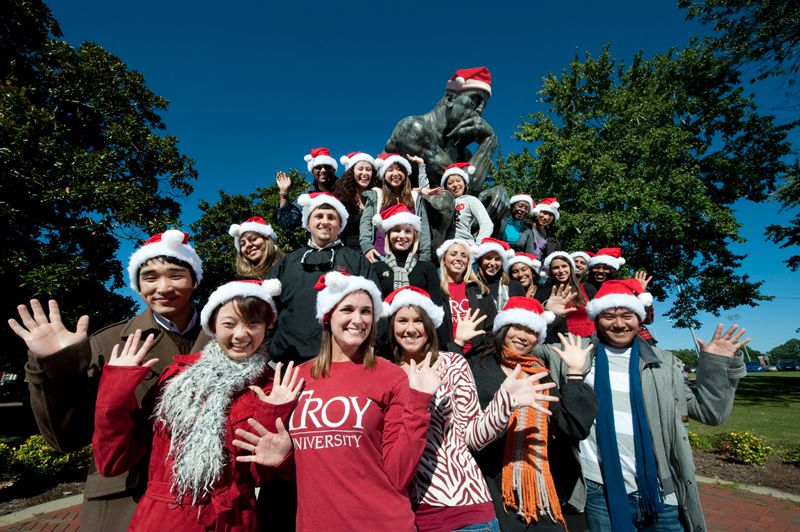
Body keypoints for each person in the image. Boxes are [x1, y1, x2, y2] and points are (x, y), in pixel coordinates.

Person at [8, 230, 208, 532]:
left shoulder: (229, 338)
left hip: (208, 497)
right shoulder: (108, 342)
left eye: (176, 275)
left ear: (195, 280)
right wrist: (55, 364)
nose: (163, 287)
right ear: (138, 287)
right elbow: (66, 438)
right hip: (127, 497)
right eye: (150, 277)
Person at [233, 272, 441, 531]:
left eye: (366, 311)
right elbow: (296, 467)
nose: (358, 319)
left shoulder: (391, 376)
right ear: (328, 315)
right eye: (348, 309)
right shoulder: (297, 377)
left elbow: (399, 474)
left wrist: (419, 404)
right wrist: (284, 458)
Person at [92, 279, 301, 530]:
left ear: (266, 327)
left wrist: (273, 415)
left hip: (231, 520)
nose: (241, 334)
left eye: (253, 324)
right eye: (229, 324)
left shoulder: (271, 386)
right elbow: (112, 461)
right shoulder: (177, 376)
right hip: (165, 519)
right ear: (212, 326)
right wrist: (117, 388)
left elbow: (258, 475)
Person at [570, 279, 748, 531]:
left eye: (627, 315)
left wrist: (717, 365)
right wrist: (550, 316)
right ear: (597, 319)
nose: (619, 324)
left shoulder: (665, 364)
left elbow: (710, 412)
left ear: (639, 319)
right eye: (608, 316)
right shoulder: (576, 355)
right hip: (599, 489)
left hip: (661, 489)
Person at [382, 286, 558, 532]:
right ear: (391, 325)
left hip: (462, 511)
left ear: (430, 325)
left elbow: (473, 438)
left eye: (419, 321)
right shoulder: (381, 372)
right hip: (400, 512)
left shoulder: (453, 364)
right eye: (403, 321)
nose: (411, 329)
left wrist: (504, 402)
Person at [470, 297, 599, 530]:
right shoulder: (477, 366)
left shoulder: (538, 373)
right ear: (503, 328)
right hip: (491, 486)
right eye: (517, 327)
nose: (523, 336)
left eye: (531, 331)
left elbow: (573, 427)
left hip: (540, 486)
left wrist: (574, 374)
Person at [266, 192, 377, 364]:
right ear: (308, 222)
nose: (325, 222)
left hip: (345, 359)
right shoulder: (287, 263)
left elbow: (375, 309)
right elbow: (267, 309)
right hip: (290, 360)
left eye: (331, 217)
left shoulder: (356, 261)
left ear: (340, 224)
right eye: (319, 216)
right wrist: (270, 347)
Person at [371, 204, 452, 346]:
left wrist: (441, 345)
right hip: (385, 342)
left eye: (407, 231)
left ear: (414, 236)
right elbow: (373, 310)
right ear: (388, 235)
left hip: (420, 340)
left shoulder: (427, 268)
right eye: (396, 230)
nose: (402, 236)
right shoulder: (376, 268)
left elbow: (438, 307)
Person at [360, 153, 432, 261]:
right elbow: (366, 223)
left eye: (399, 169)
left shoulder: (415, 197)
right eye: (390, 170)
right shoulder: (376, 196)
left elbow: (424, 227)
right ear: (384, 174)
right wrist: (367, 247)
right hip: (380, 256)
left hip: (411, 258)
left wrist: (425, 255)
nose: (395, 173)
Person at [438, 239, 495, 357]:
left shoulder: (479, 290)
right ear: (443, 259)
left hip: (476, 356)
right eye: (453, 254)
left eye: (464, 256)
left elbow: (491, 327)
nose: (459, 258)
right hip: (444, 355)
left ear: (468, 261)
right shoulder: (435, 290)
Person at [536, 252, 597, 343]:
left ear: (571, 268)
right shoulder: (545, 291)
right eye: (556, 268)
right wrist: (547, 310)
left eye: (564, 266)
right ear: (550, 271)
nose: (561, 271)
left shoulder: (588, 288)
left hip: (589, 339)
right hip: (558, 341)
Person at [275, 147, 339, 231]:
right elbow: (287, 223)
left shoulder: (347, 189)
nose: (323, 170)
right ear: (312, 172)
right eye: (318, 167)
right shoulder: (306, 195)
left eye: (327, 167)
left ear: (334, 170)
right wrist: (283, 193)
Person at [331, 151, 378, 251]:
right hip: (349, 252)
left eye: (368, 169)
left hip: (374, 251)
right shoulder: (342, 200)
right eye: (360, 169)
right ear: (352, 172)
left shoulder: (376, 197)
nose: (364, 173)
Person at [441, 162, 493, 243]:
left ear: (464, 183)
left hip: (465, 245)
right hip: (445, 247)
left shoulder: (470, 200)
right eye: (450, 183)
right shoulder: (442, 203)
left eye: (458, 180)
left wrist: (478, 245)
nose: (455, 184)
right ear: (446, 187)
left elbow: (487, 224)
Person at [474, 237, 525, 311]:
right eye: (488, 258)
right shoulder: (472, 286)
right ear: (480, 260)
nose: (493, 263)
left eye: (497, 259)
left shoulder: (514, 286)